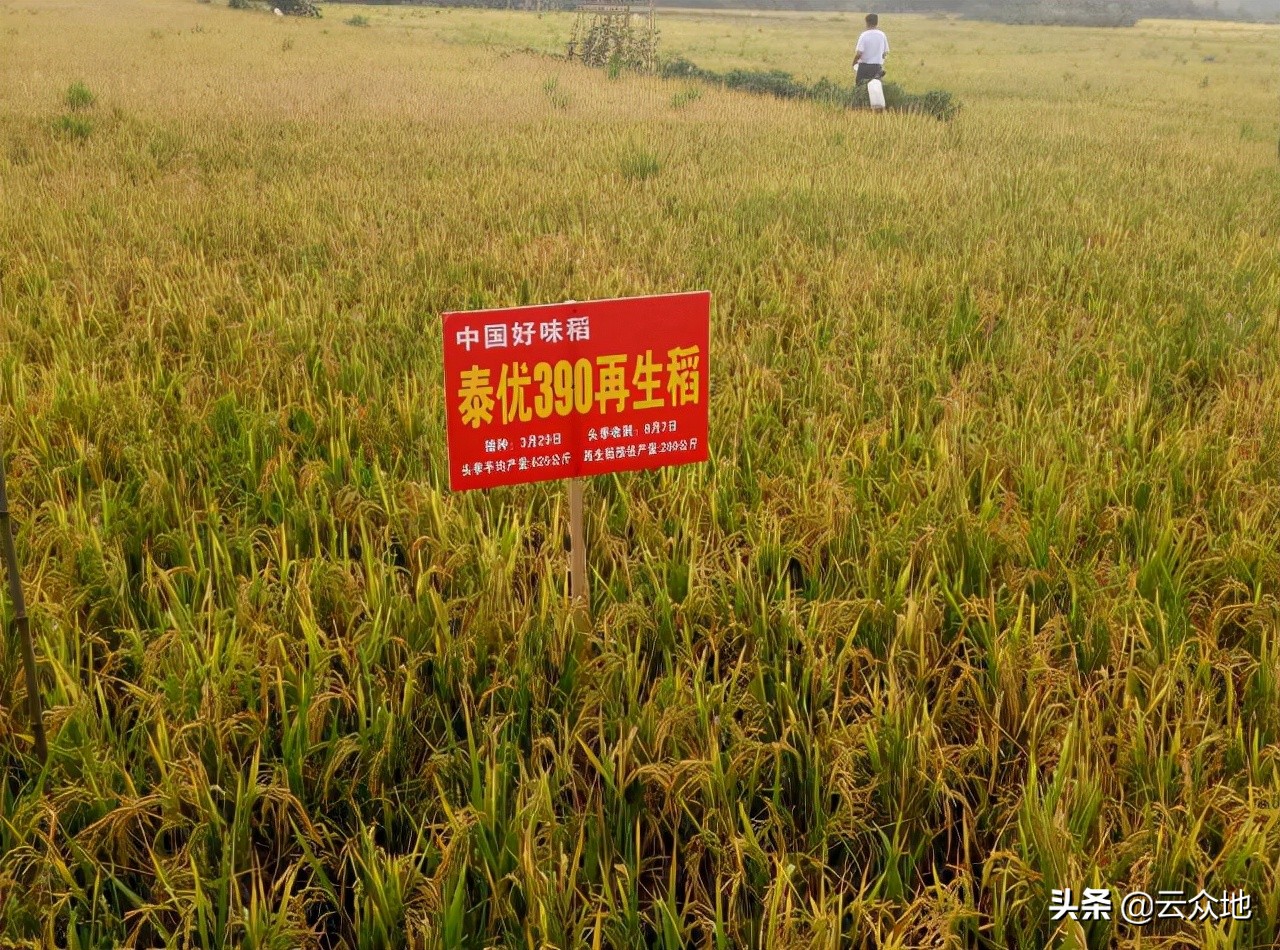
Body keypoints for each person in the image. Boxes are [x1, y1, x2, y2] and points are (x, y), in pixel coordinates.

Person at [852, 13, 888, 85]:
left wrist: (854, 62)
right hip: (877, 67)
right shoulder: (882, 35)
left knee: (860, 89)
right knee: (875, 90)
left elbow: (859, 53)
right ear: (876, 23)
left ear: (867, 22)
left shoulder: (864, 35)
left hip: (864, 67)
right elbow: (884, 53)